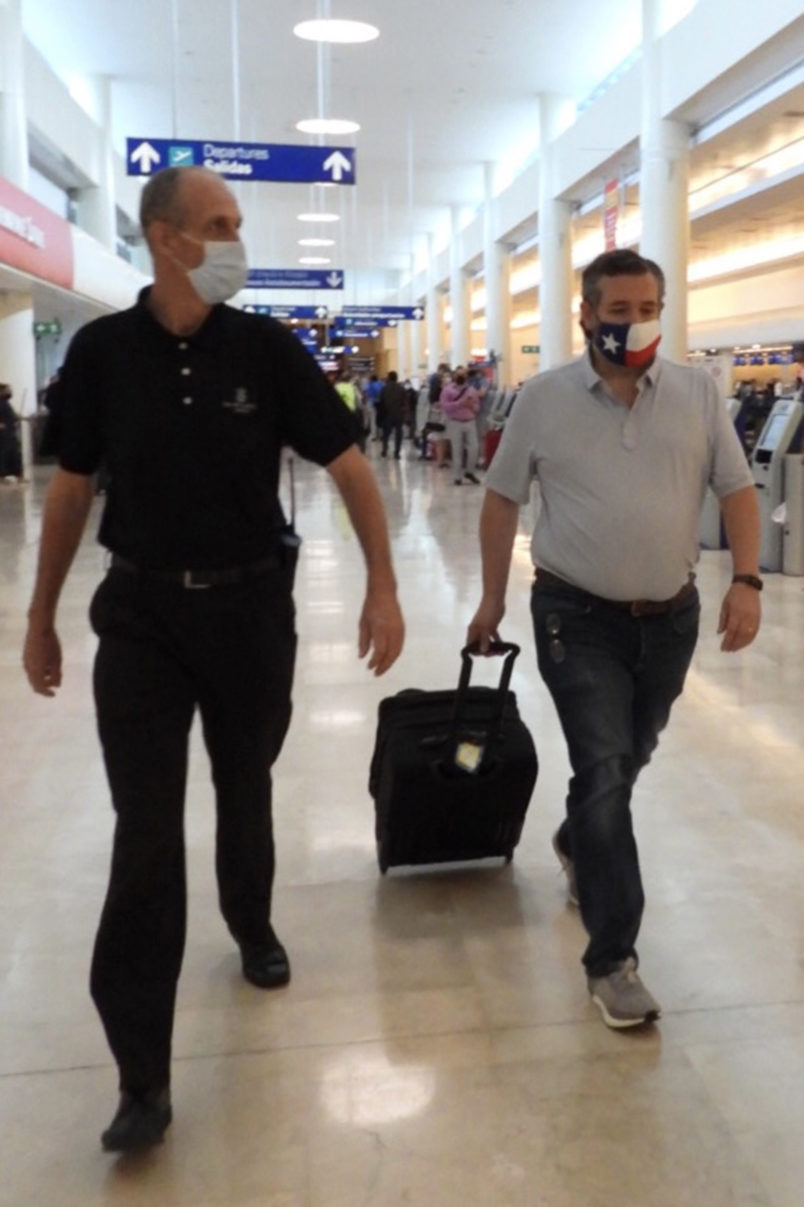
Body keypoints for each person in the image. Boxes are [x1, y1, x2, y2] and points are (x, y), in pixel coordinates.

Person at [22, 165, 405, 1153]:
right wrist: (39, 615)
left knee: (246, 781)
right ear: (165, 237)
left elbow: (349, 464)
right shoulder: (104, 353)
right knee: (145, 830)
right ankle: (141, 1076)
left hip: (249, 612)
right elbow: (70, 488)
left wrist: (383, 583)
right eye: (219, 223)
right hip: (141, 615)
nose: (236, 238)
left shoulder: (265, 348)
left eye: (237, 222)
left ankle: (251, 919)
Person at [468, 248, 761, 1030]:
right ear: (587, 315)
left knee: (627, 759)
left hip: (670, 618)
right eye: (620, 311)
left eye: (648, 309)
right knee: (602, 765)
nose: (635, 323)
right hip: (575, 614)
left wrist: (747, 579)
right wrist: (492, 598)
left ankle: (577, 840)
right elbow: (501, 499)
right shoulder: (544, 397)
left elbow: (737, 487)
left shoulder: (697, 393)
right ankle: (612, 959)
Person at [440, 366, 481, 485]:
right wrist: (459, 403)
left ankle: (470, 471)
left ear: (466, 376)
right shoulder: (447, 390)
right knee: (457, 448)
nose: (460, 377)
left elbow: (477, 407)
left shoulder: (471, 390)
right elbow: (445, 406)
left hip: (470, 421)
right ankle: (457, 476)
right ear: (454, 376)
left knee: (474, 448)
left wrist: (472, 406)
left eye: (463, 375)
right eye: (458, 374)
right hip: (455, 422)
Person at [378, 370, 407, 459]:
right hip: (399, 414)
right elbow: (405, 402)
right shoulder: (401, 388)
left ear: (389, 378)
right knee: (398, 433)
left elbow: (380, 401)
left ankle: (384, 450)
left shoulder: (384, 388)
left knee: (386, 433)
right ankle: (397, 452)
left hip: (387, 414)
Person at [0, 383, 22, 481]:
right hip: (4, 433)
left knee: (14, 453)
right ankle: (2, 476)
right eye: (7, 390)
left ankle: (18, 475)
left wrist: (17, 416)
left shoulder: (6, 402)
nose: (9, 391)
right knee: (4, 454)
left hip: (10, 431)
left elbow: (11, 416)